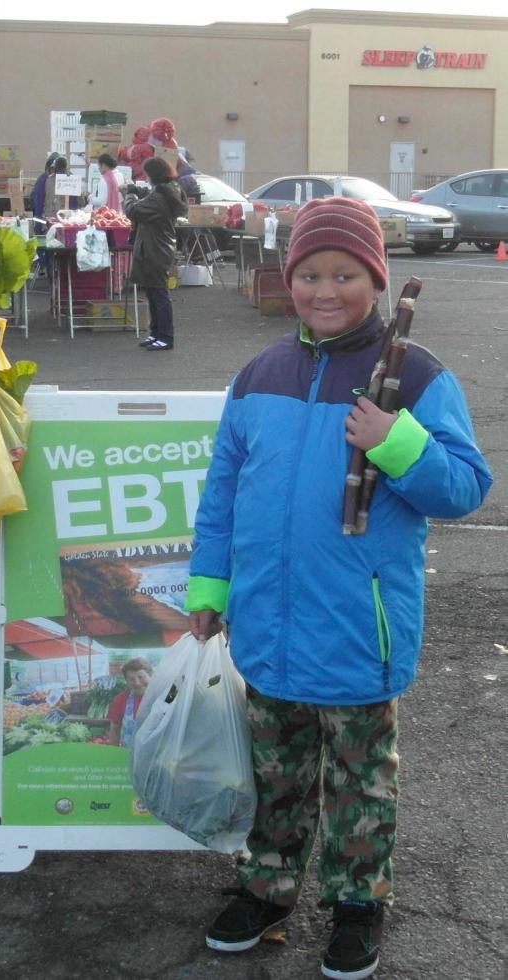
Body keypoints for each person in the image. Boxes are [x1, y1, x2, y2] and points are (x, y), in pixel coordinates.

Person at [185, 197, 492, 978]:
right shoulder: (258, 376)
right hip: (266, 625)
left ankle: (357, 899)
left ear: (375, 280)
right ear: (287, 280)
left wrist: (397, 443)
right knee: (277, 772)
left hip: (360, 625)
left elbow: (461, 489)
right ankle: (268, 885)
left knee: (360, 779)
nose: (326, 290)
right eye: (309, 274)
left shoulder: (415, 377)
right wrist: (209, 585)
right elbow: (222, 492)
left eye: (345, 274)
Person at [124, 156, 188, 352]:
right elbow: (151, 196)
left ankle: (165, 337)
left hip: (155, 249)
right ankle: (156, 333)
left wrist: (129, 196)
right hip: (159, 247)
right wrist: (139, 191)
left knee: (159, 294)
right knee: (153, 293)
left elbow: (133, 211)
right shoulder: (170, 190)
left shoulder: (159, 198)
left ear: (153, 175)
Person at [106, 658, 153, 748]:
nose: (137, 683)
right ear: (126, 681)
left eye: (141, 677)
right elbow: (115, 729)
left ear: (151, 676)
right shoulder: (121, 700)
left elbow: (175, 692)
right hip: (129, 757)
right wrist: (113, 754)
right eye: (131, 679)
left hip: (157, 758)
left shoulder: (162, 697)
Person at [31, 151, 59, 222]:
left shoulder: (43, 178)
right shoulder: (43, 179)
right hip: (50, 220)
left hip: (50, 219)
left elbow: (35, 201)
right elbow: (37, 201)